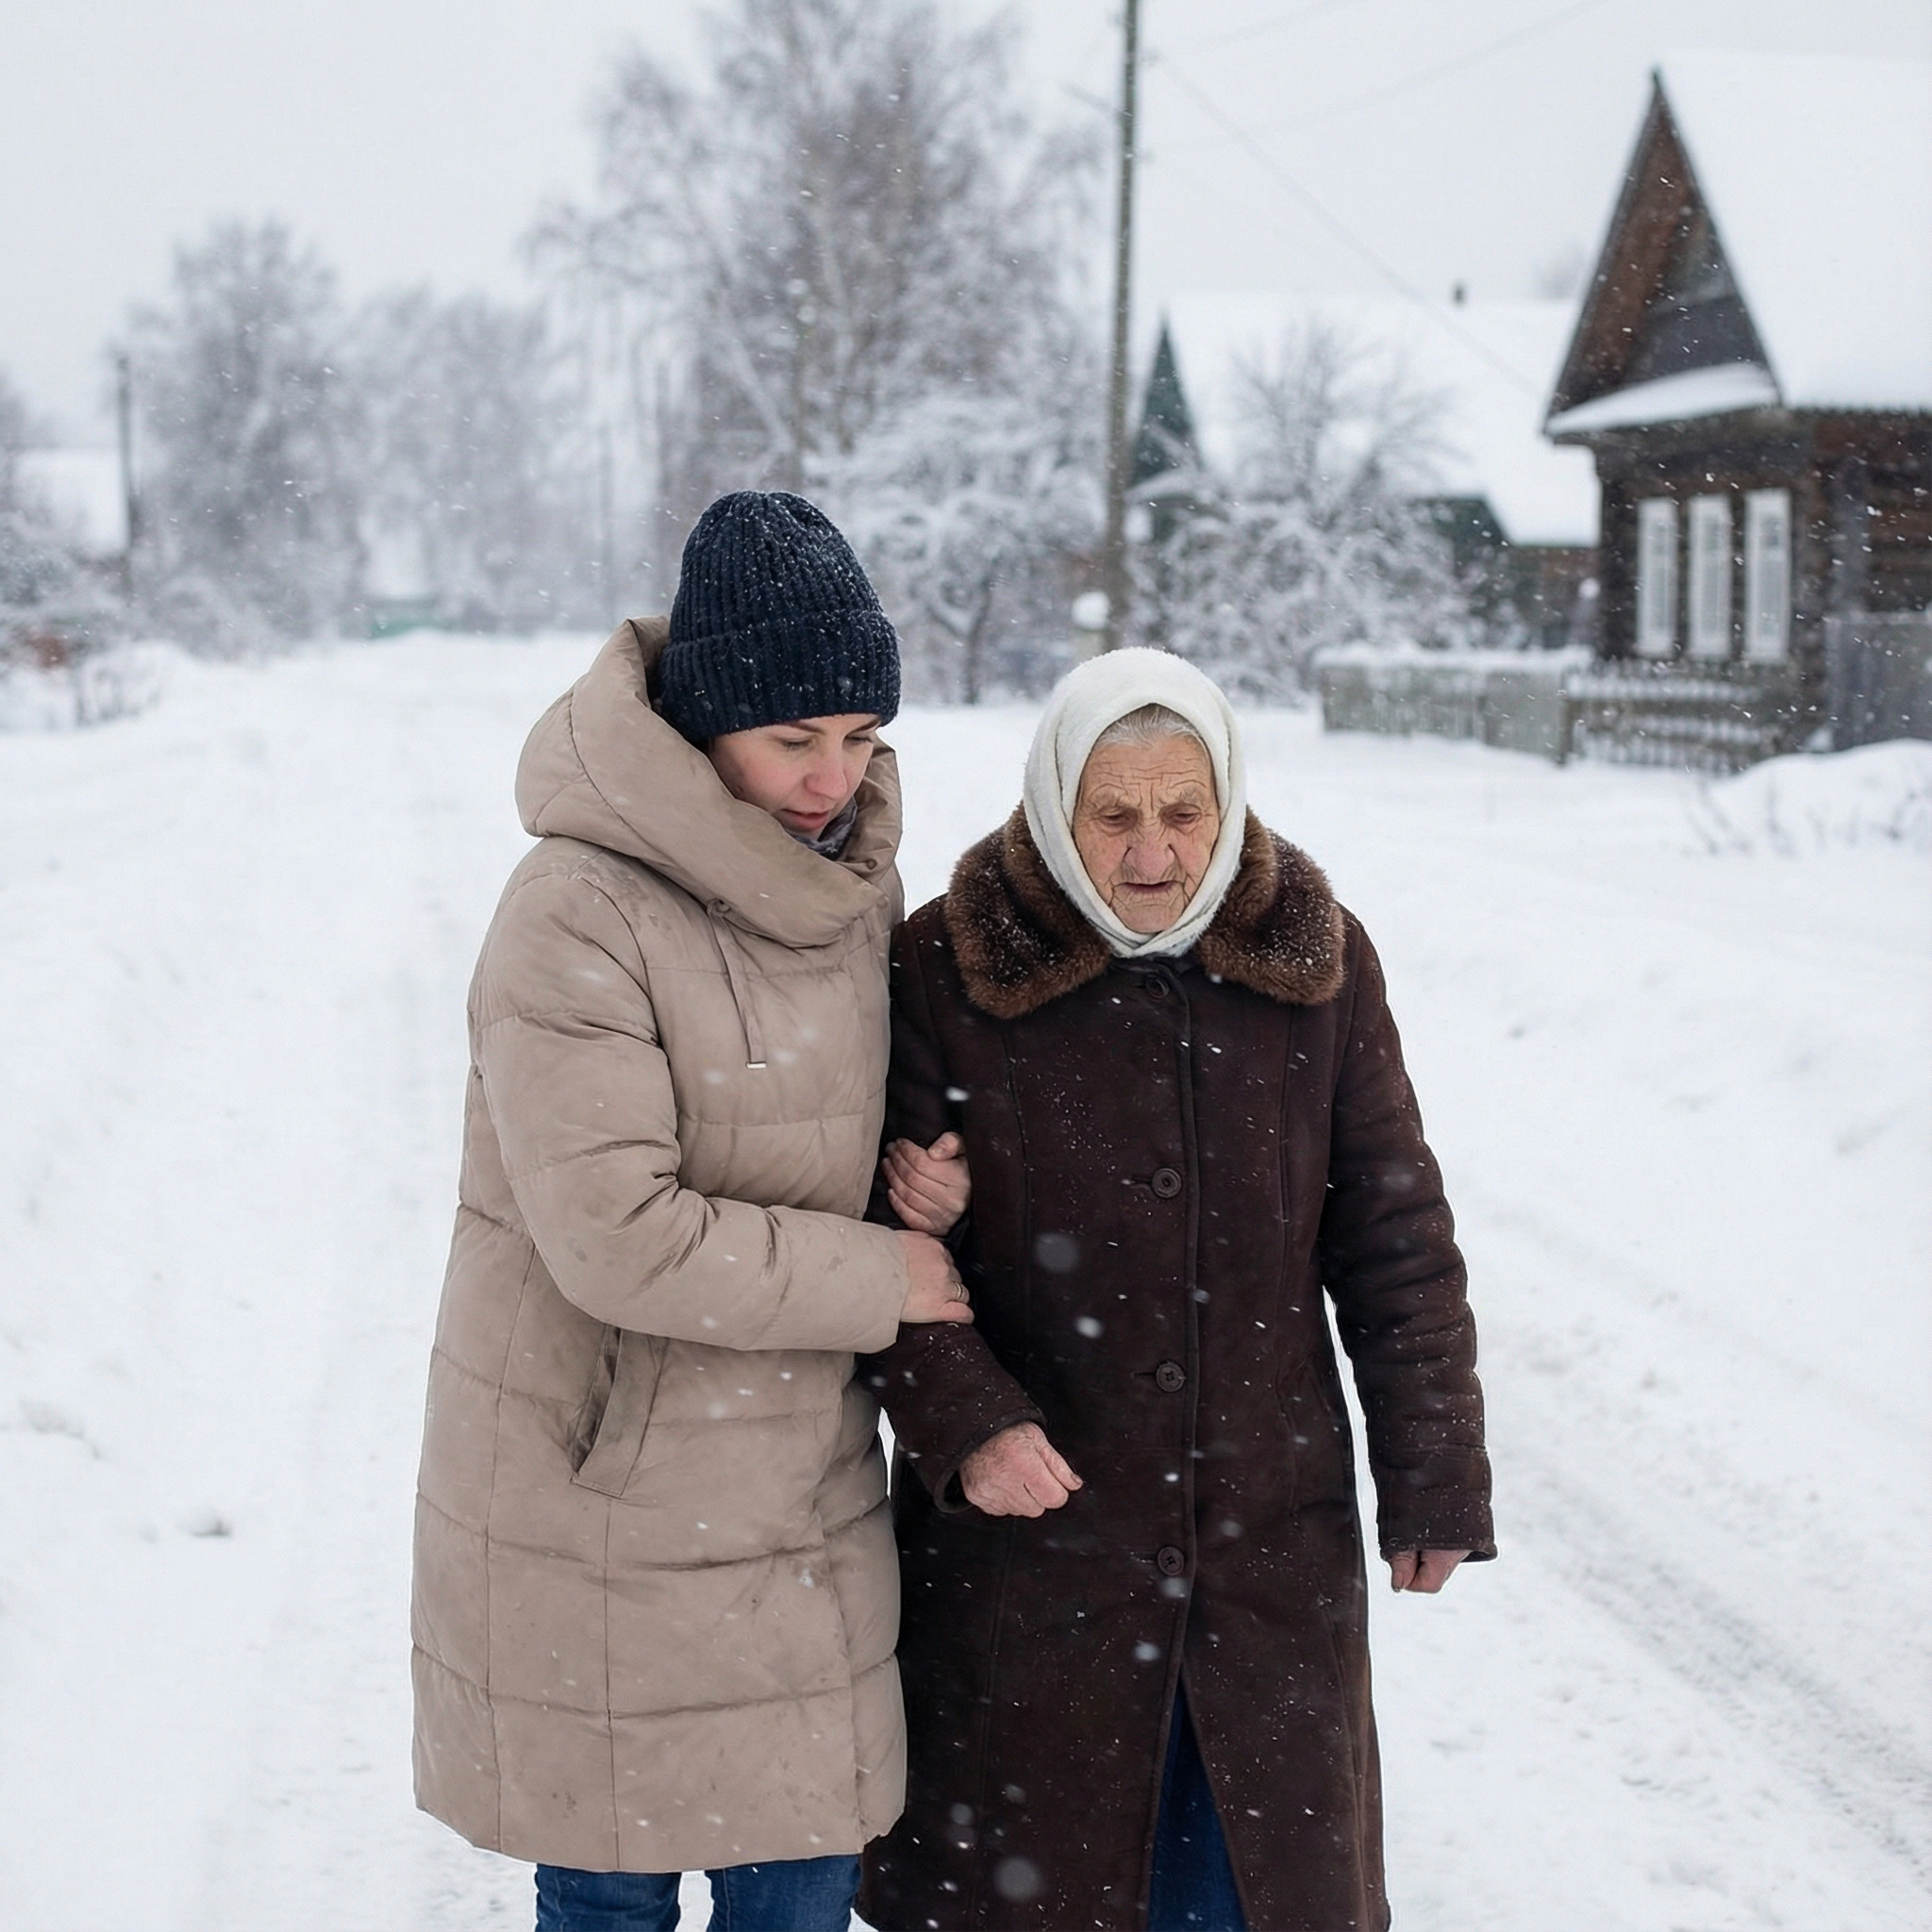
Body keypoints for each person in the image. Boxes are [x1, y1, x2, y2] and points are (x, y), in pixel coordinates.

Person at [859, 648, 1494, 1932]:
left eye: (1184, 811)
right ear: (1054, 804)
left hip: (1264, 1548)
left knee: (1245, 1888)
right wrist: (966, 1423)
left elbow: (1394, 1234)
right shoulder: (946, 965)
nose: (1154, 853)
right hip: (1036, 1556)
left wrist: (1433, 1467)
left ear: (1230, 799)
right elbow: (873, 1244)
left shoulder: (1317, 963)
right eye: (1113, 815)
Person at [410, 491, 971, 1932]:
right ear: (705, 718)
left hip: (803, 1491)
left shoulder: (852, 891)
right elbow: (618, 1234)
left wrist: (930, 1180)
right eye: (794, 738)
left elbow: (837, 1128)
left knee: (805, 1883)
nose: (833, 777)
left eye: (863, 737)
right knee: (614, 1892)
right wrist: (886, 1276)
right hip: (609, 1498)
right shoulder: (576, 909)